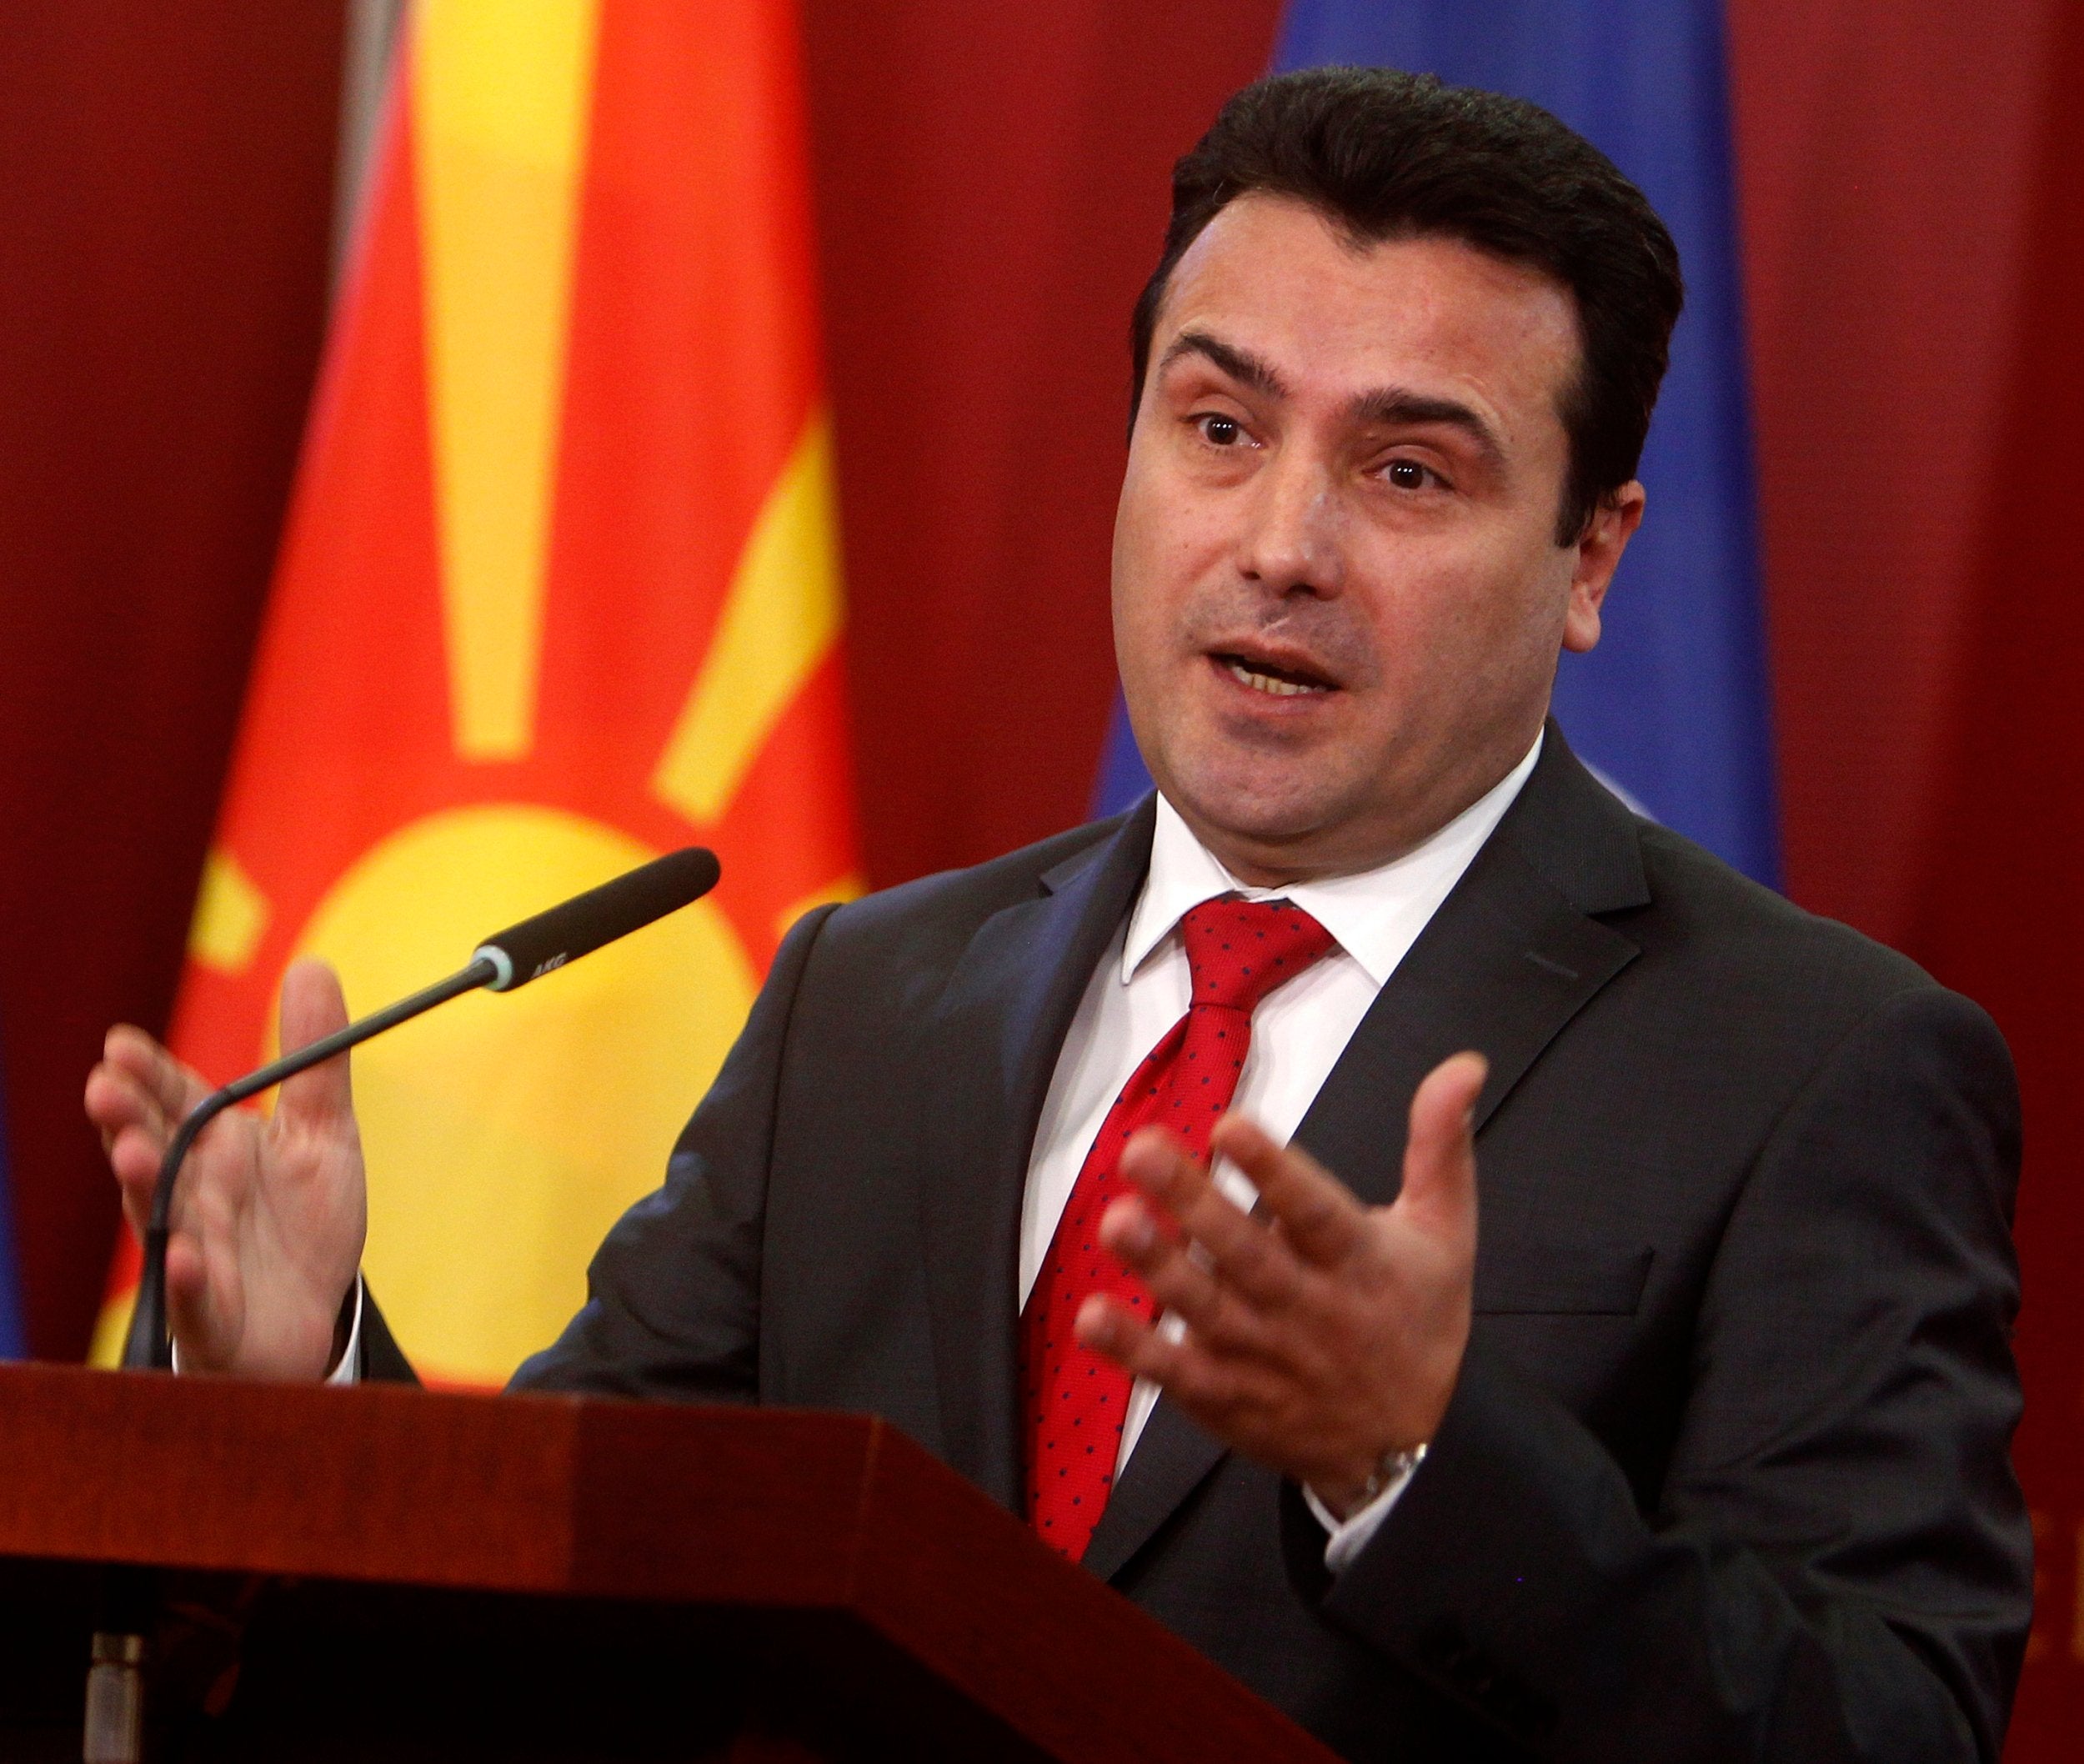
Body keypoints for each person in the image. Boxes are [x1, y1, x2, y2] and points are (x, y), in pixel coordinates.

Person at [87, 68, 2029, 1761]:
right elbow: (579, 1627)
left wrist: (1414, 1458)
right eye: (1217, 428)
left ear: (1588, 555)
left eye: (1405, 469)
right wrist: (308, 1389)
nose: (1279, 542)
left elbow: (1880, 1720)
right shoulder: (866, 1001)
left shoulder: (1807, 1067)